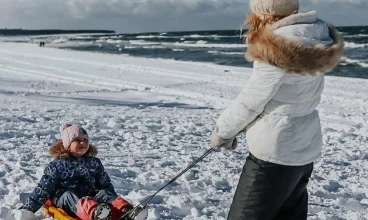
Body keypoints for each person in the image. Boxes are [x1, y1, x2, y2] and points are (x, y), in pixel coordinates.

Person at [210, 0, 344, 219]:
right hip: (304, 149)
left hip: (273, 153)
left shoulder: (276, 46)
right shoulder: (315, 38)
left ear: (263, 15)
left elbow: (251, 100)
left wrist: (223, 132)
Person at [20, 124, 133, 220]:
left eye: (85, 140)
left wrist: (112, 199)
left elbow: (105, 183)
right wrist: (26, 211)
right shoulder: (57, 165)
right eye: (77, 141)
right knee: (69, 195)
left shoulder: (94, 163)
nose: (83, 143)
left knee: (104, 192)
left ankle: (125, 211)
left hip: (91, 198)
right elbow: (43, 189)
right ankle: (96, 214)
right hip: (65, 200)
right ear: (67, 146)